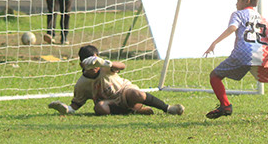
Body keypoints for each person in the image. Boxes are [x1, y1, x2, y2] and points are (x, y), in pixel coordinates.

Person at [48, 45, 185, 116]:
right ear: (82, 65)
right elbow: (76, 104)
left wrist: (107, 63)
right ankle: (134, 111)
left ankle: (168, 108)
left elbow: (123, 66)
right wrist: (66, 109)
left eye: (96, 61)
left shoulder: (105, 67)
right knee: (100, 108)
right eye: (90, 63)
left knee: (138, 94)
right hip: (110, 103)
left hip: (124, 92)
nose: (94, 66)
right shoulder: (81, 84)